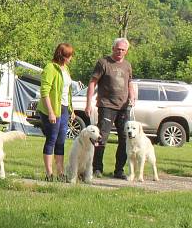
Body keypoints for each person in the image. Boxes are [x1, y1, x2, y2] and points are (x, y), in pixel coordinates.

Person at [85, 38, 136, 179]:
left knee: (125, 139)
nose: (120, 51)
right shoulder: (103, 63)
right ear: (113, 48)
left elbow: (130, 83)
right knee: (101, 138)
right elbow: (92, 83)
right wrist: (88, 103)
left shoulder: (127, 65)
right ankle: (97, 168)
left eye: (123, 50)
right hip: (106, 105)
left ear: (126, 51)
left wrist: (132, 95)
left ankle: (119, 171)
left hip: (124, 107)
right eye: (118, 49)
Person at [37, 43, 75, 182]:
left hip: (64, 108)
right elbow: (44, 91)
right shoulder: (50, 68)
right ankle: (49, 173)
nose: (71, 58)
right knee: (52, 139)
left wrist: (71, 109)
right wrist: (51, 112)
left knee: (61, 141)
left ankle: (60, 173)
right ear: (62, 55)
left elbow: (67, 91)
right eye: (69, 55)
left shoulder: (66, 69)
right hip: (52, 109)